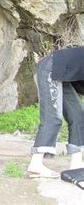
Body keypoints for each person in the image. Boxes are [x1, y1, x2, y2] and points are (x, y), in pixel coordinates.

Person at [27, 46, 84, 178]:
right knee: (52, 117)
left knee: (78, 115)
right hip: (51, 69)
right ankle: (36, 164)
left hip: (62, 75)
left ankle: (76, 164)